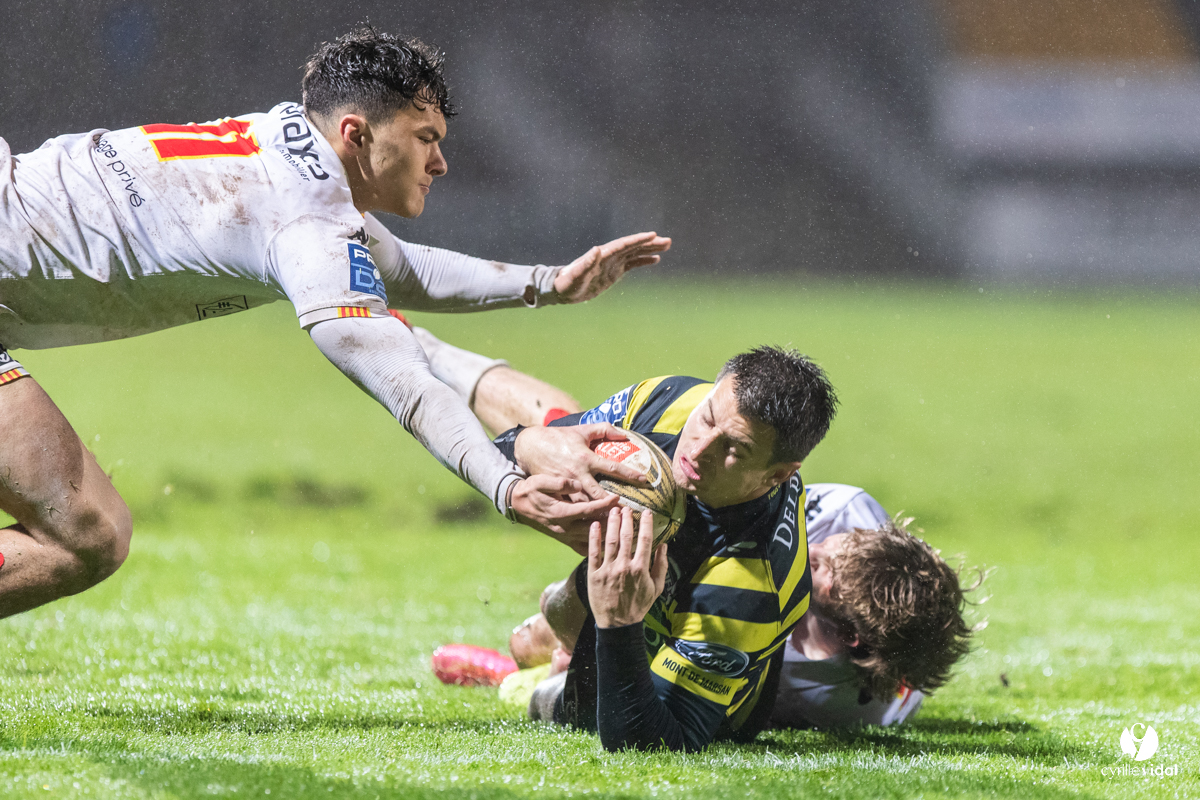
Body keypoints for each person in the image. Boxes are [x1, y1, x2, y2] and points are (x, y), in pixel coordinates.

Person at [0, 28, 672, 618]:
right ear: (355, 133)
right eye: (425, 140)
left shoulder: (285, 143)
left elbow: (403, 269)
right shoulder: (307, 224)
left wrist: (549, 284)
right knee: (88, 539)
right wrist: (507, 485)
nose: (440, 162)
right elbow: (403, 381)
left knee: (90, 530)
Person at [415, 329, 976, 738]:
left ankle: (510, 678)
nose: (696, 450)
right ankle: (422, 348)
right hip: (674, 560)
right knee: (573, 433)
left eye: (733, 449)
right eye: (710, 419)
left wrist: (619, 627)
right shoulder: (678, 402)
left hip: (696, 633)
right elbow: (532, 444)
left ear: (780, 475)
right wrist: (526, 448)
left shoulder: (754, 598)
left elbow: (652, 740)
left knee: (559, 673)